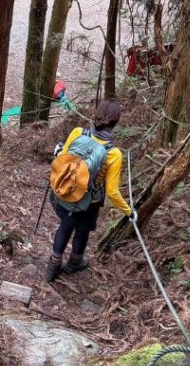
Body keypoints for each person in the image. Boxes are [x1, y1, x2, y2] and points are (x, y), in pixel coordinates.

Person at [45, 99, 136, 282]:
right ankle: (74, 263)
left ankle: (53, 267)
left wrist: (60, 151)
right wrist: (129, 212)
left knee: (65, 225)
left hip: (66, 193)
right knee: (82, 231)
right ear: (115, 123)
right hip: (89, 202)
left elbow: (63, 158)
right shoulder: (114, 154)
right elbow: (112, 191)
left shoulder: (79, 133)